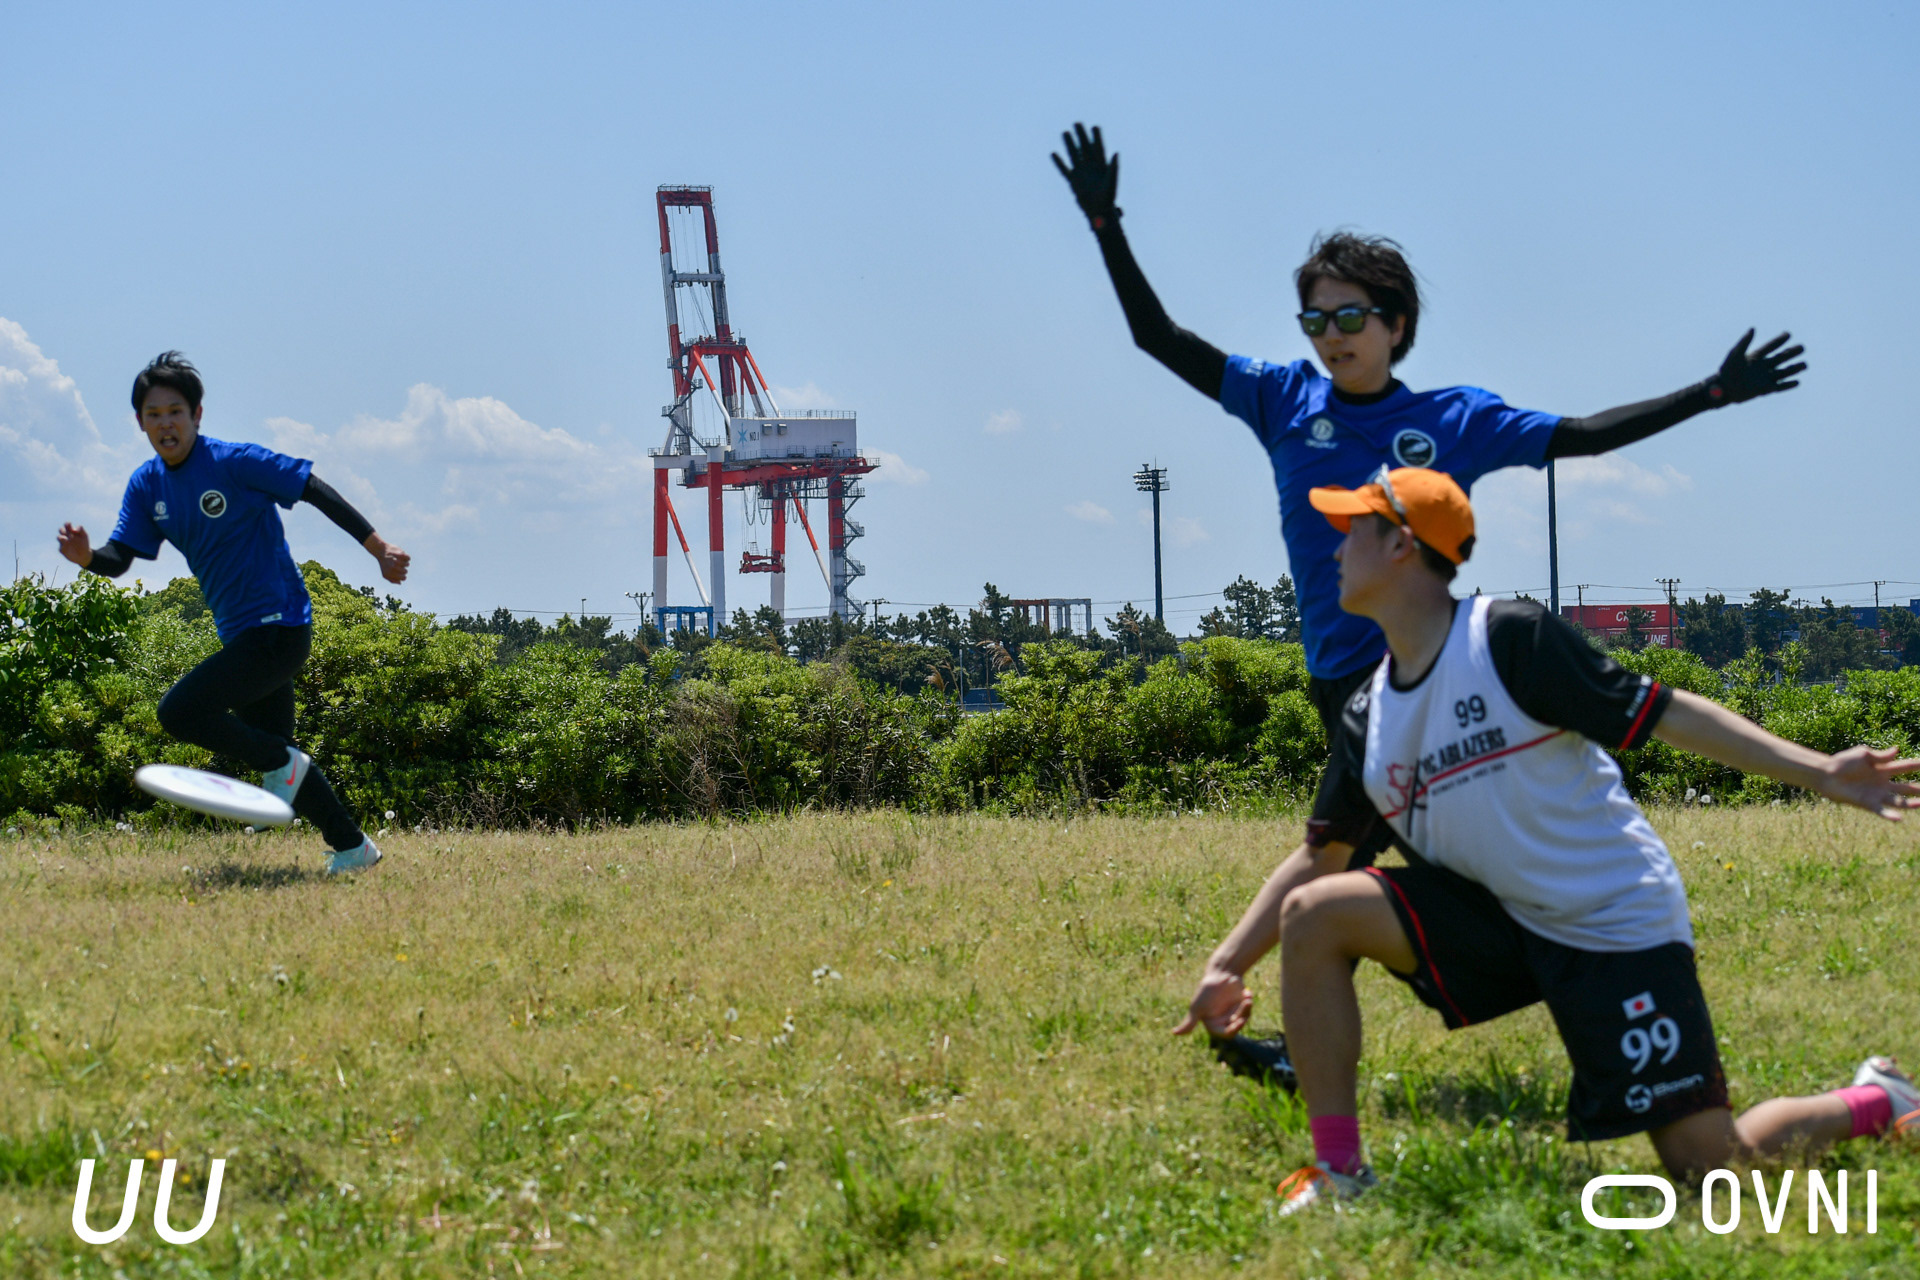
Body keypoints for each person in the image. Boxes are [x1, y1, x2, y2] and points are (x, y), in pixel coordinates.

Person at [1174, 466, 1920, 1212]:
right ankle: (1340, 1172)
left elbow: (1662, 712)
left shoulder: (1508, 639)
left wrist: (1821, 771)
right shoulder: (1368, 713)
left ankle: (1875, 1099)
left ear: (1401, 545)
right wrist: (1225, 965)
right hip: (1496, 923)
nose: (1335, 549)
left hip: (1610, 921)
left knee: (1708, 1168)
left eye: (1353, 531)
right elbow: (1322, 855)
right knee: (1317, 912)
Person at [1052, 122, 1807, 738]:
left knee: (1413, 838)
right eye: (1316, 319)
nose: (1332, 334)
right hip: (1335, 676)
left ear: (1396, 323)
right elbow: (1158, 337)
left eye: (1351, 316)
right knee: (1376, 849)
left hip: (1431, 664)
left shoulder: (1455, 419)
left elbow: (1584, 435)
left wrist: (1711, 393)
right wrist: (1105, 224)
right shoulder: (1282, 399)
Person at [56, 351, 405, 873]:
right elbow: (120, 557)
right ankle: (354, 848)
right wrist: (87, 558)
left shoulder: (234, 461)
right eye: (154, 414)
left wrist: (378, 548)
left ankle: (283, 768)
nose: (166, 423)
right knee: (283, 758)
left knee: (180, 713)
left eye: (175, 411)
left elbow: (311, 487)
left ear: (197, 415)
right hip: (241, 636)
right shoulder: (147, 485)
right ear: (140, 423)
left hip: (280, 628)